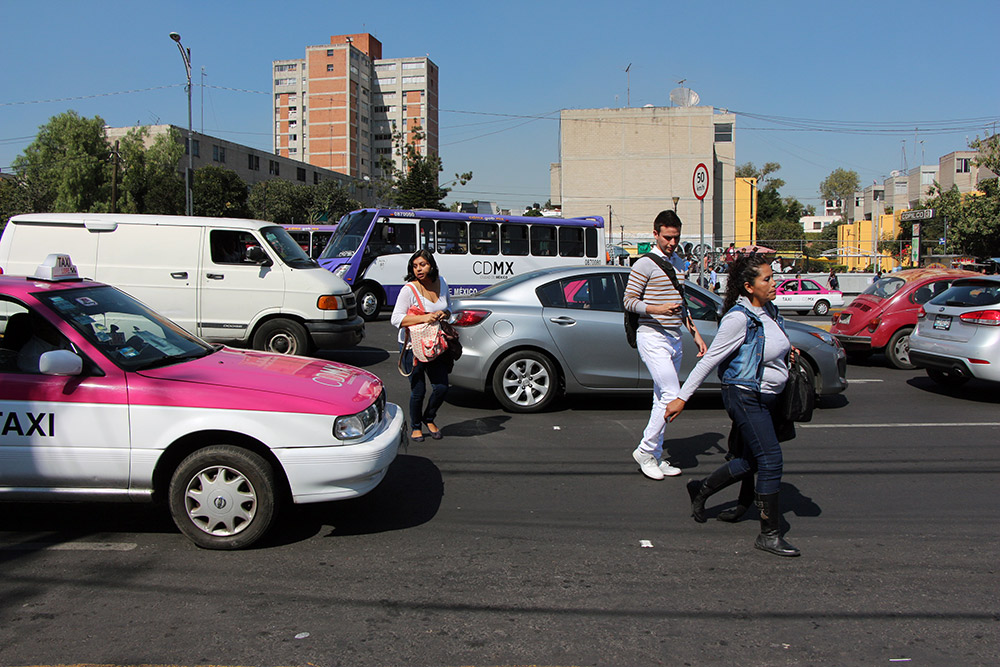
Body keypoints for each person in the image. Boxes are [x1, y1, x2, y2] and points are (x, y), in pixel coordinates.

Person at [664, 254, 801, 557]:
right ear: (749, 286)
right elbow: (710, 360)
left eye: (772, 276)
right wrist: (682, 398)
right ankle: (769, 534)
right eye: (767, 278)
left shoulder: (769, 310)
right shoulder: (738, 318)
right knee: (771, 460)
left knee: (751, 461)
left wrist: (786, 354)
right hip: (745, 396)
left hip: (768, 398)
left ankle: (700, 489)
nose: (774, 282)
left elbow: (767, 348)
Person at [623, 210, 707, 480]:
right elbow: (628, 301)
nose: (672, 243)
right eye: (667, 237)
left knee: (661, 398)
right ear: (655, 233)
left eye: (676, 238)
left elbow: (682, 304)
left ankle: (655, 455)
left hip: (674, 338)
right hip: (651, 335)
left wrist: (695, 333)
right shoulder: (644, 264)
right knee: (672, 395)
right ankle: (645, 450)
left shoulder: (680, 264)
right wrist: (658, 308)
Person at [391, 249, 452, 442]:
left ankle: (429, 418)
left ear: (432, 266)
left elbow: (450, 307)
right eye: (415, 266)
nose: (418, 269)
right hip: (412, 346)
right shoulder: (409, 289)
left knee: (441, 387)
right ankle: (416, 426)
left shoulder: (442, 283)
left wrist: (446, 314)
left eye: (423, 265)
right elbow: (396, 319)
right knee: (418, 390)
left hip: (435, 343)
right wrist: (425, 317)